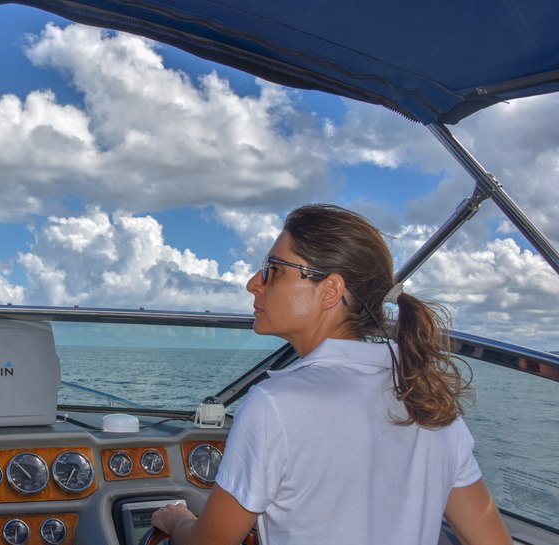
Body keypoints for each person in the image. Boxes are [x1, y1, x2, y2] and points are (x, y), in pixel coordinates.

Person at [152, 204, 511, 545]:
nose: (253, 283)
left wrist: (177, 520)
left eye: (273, 269)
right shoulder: (426, 396)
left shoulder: (275, 405)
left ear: (330, 290)